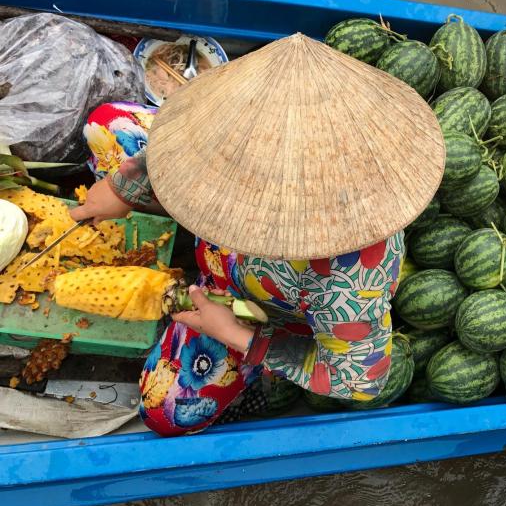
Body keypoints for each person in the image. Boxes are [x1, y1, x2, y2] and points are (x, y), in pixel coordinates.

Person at [70, 34, 444, 436]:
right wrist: (122, 189)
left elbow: (359, 380)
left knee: (166, 411)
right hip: (218, 252)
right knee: (105, 124)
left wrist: (233, 333)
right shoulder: (237, 114)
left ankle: (249, 377)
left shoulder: (350, 278)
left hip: (248, 306)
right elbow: (189, 141)